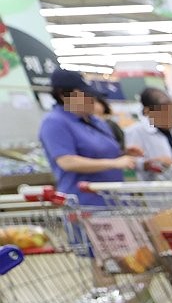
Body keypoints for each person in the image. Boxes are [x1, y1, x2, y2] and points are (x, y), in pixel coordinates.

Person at [38, 69, 142, 207]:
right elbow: (67, 162)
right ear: (63, 94)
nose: (91, 99)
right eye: (85, 94)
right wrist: (114, 163)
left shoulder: (96, 121)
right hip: (85, 203)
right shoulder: (55, 122)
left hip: (115, 199)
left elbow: (97, 153)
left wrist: (123, 153)